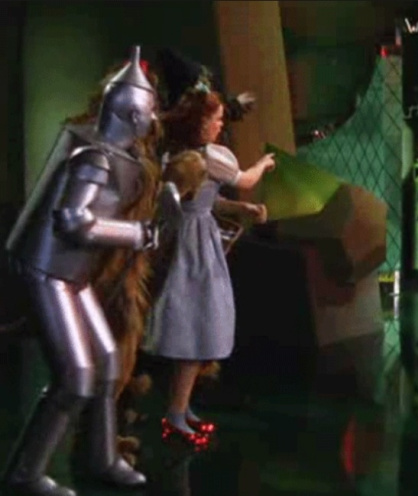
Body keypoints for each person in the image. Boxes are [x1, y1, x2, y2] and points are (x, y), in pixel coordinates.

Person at [2, 47, 158, 496]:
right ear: (133, 115)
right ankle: (26, 473)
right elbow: (74, 221)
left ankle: (102, 457)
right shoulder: (94, 157)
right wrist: (135, 233)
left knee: (108, 362)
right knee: (75, 376)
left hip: (75, 274)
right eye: (149, 113)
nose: (153, 120)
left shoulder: (114, 153)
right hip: (50, 270)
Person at [144, 89, 275, 446]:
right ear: (200, 123)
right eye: (216, 119)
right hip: (194, 247)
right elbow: (245, 180)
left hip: (188, 238)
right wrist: (263, 164)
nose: (221, 124)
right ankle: (175, 413)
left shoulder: (178, 154)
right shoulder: (206, 157)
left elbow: (206, 199)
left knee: (196, 324)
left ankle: (180, 407)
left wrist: (241, 209)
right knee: (196, 322)